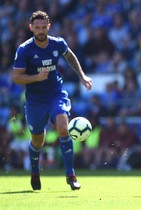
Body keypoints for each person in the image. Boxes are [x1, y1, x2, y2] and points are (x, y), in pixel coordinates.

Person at [12, 11, 92, 190]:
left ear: (49, 27)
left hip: (56, 94)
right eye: (37, 28)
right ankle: (34, 171)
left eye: (44, 27)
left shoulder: (58, 43)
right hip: (35, 100)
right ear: (31, 28)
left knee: (64, 127)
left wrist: (82, 76)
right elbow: (17, 77)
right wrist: (36, 77)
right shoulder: (24, 49)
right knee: (38, 140)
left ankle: (71, 175)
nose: (41, 31)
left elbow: (70, 56)